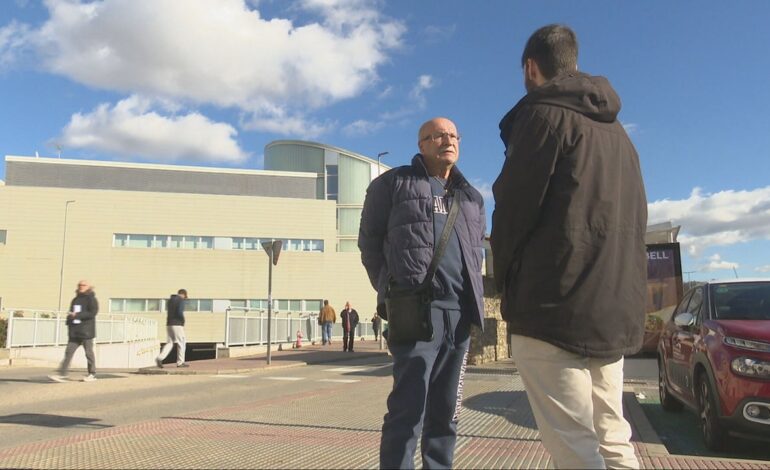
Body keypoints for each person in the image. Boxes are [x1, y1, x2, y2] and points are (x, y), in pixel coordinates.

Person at [491, 24, 647, 469]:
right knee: (613, 438)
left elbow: (513, 212)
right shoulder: (621, 136)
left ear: (530, 68)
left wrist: (507, 284)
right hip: (610, 307)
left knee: (575, 447)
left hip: (552, 307)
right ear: (574, 63)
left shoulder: (542, 117)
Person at [359, 117, 486, 469]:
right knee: (408, 410)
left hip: (458, 318)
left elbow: (475, 256)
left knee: (446, 413)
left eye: (452, 135)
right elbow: (369, 244)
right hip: (415, 314)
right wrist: (391, 291)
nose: (447, 140)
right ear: (422, 145)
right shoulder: (394, 184)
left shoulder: (472, 197)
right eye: (437, 135)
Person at [49, 280, 99, 382]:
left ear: (88, 287)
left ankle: (92, 374)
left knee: (88, 353)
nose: (81, 287)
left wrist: (78, 315)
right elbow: (72, 312)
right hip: (75, 332)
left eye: (83, 285)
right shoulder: (75, 299)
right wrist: (69, 320)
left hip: (86, 331)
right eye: (79, 285)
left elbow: (93, 313)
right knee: (68, 352)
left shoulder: (91, 299)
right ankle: (62, 374)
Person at [155, 289, 190, 368]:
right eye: (185, 297)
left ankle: (160, 358)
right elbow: (180, 312)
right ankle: (180, 362)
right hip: (177, 324)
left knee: (170, 343)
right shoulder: (180, 300)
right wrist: (182, 320)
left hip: (169, 324)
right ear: (183, 294)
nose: (184, 299)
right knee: (182, 342)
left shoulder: (170, 300)